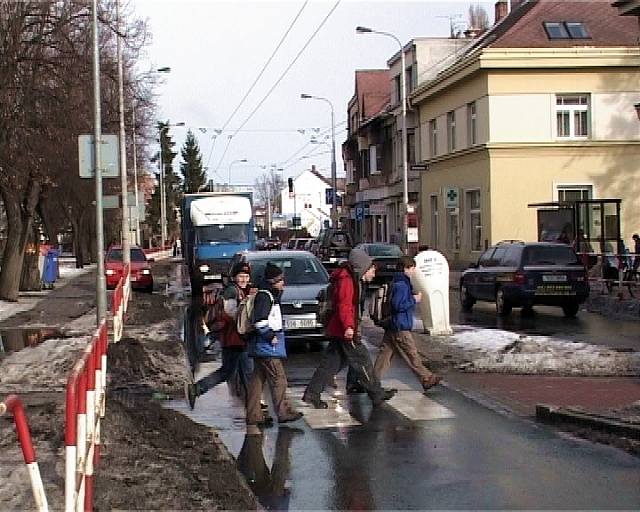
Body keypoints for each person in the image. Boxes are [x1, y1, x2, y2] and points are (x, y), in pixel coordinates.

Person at [302, 248, 396, 409]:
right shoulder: (347, 280)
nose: (374, 274)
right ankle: (376, 393)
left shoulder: (352, 279)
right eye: (372, 270)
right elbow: (344, 306)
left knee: (331, 364)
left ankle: (312, 393)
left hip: (340, 328)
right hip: (344, 329)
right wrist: (349, 327)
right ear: (363, 268)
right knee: (363, 359)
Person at [185, 262, 255, 411]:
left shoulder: (240, 290)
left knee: (231, 372)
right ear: (235, 277)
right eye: (241, 276)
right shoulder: (231, 292)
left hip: (235, 340)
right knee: (244, 374)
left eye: (246, 276)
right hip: (235, 340)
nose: (244, 279)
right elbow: (231, 315)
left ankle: (198, 389)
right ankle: (255, 410)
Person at [246, 263, 303, 430]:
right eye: (280, 280)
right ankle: (284, 412)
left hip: (261, 345)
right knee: (279, 379)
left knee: (257, 380)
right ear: (273, 281)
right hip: (266, 345)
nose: (283, 283)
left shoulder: (267, 294)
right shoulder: (265, 297)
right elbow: (260, 321)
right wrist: (270, 336)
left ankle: (254, 415)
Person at [373, 256, 442, 394]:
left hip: (393, 325)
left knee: (384, 357)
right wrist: (414, 299)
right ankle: (426, 378)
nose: (414, 271)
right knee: (411, 354)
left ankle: (371, 381)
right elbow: (398, 305)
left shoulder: (397, 282)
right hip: (400, 326)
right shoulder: (402, 285)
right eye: (412, 269)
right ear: (406, 269)